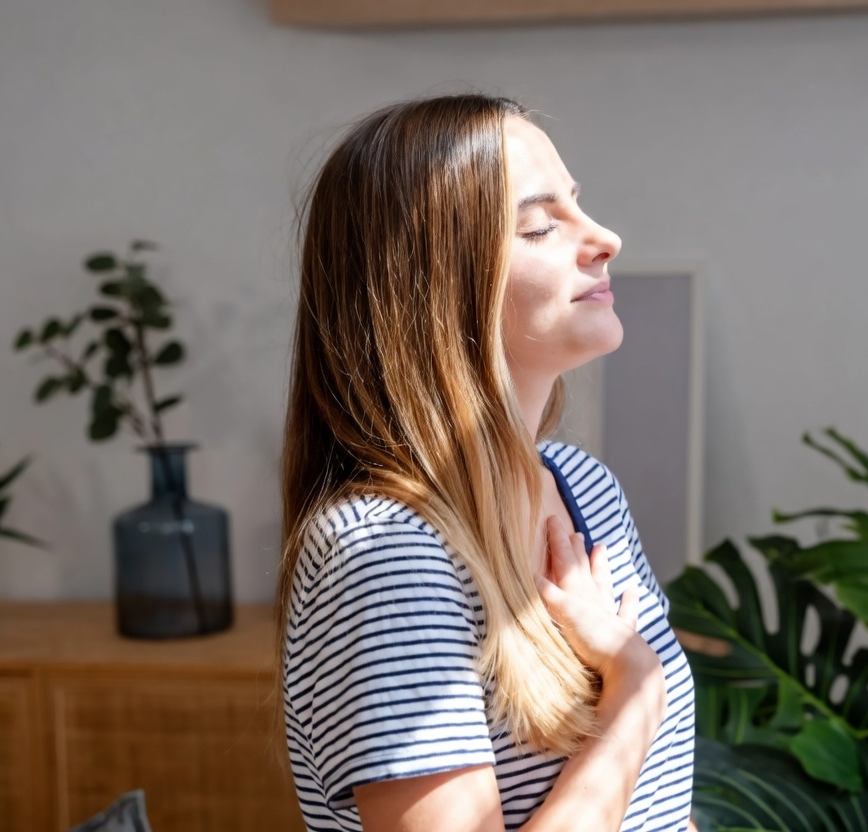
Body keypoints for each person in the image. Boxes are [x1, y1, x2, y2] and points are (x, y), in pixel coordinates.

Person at [277, 94, 697, 832]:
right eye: (539, 226)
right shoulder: (385, 555)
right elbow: (637, 717)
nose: (605, 238)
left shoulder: (584, 488)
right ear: (431, 289)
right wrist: (634, 686)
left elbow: (657, 809)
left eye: (577, 204)